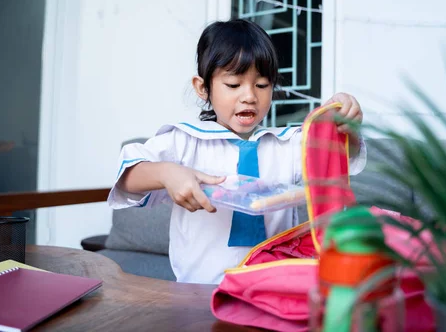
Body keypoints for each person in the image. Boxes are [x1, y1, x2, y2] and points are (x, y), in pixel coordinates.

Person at [107, 19, 366, 284]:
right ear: (203, 87)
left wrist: (343, 124)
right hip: (199, 290)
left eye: (262, 85)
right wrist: (167, 173)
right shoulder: (184, 141)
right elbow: (127, 177)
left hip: (273, 287)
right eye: (233, 85)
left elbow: (338, 156)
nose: (249, 96)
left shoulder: (288, 145)